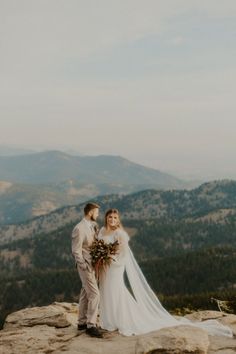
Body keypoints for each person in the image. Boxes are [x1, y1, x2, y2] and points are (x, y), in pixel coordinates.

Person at [98, 208, 233, 337]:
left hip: (115, 266)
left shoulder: (120, 234)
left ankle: (121, 319)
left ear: (118, 219)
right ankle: (109, 320)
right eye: (110, 217)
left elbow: (123, 254)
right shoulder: (102, 231)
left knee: (115, 290)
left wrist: (111, 259)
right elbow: (98, 247)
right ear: (106, 218)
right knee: (106, 290)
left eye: (115, 217)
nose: (112, 219)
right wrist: (100, 257)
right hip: (104, 266)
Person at [71, 202, 103, 338]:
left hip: (93, 265)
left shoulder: (93, 226)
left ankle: (81, 322)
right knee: (95, 294)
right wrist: (83, 265)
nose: (98, 215)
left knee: (85, 291)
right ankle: (91, 325)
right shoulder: (79, 228)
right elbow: (76, 250)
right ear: (90, 212)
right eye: (96, 212)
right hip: (85, 266)